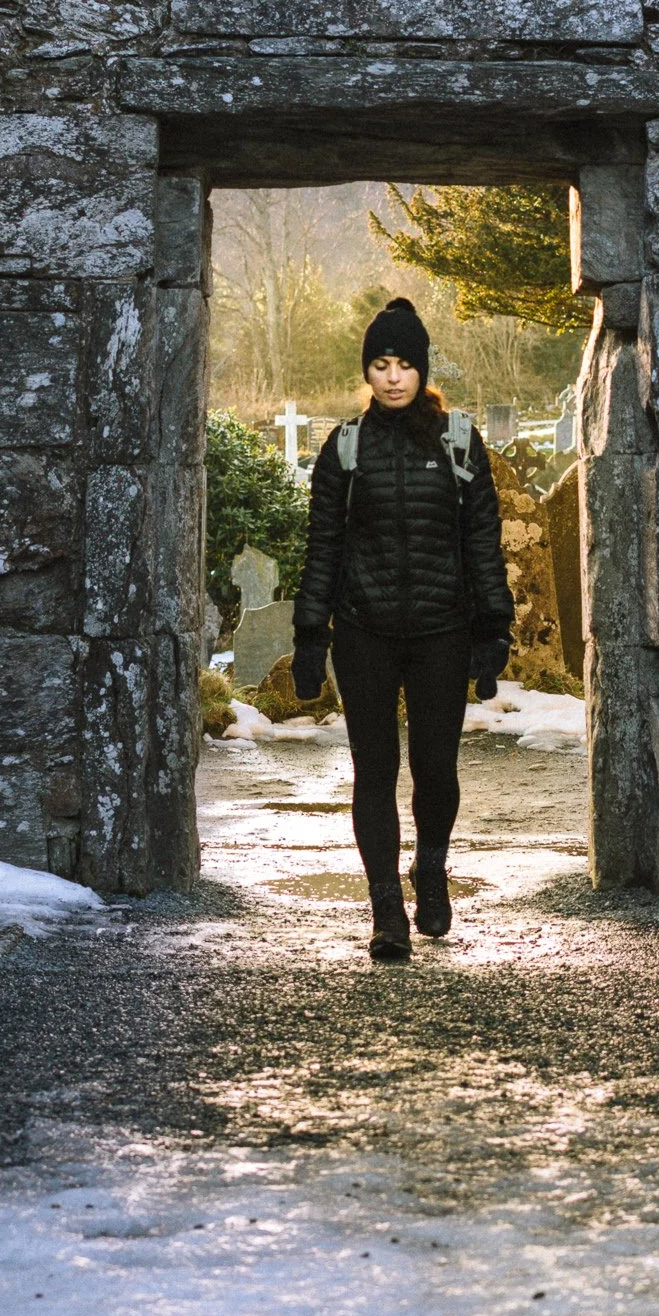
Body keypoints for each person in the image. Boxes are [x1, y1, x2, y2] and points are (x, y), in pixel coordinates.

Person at [291, 296, 513, 961]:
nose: (392, 378)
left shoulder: (458, 440)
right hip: (364, 632)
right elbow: (322, 547)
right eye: (380, 365)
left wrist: (492, 630)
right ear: (368, 371)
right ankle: (385, 905)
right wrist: (310, 637)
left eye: (404, 365)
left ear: (422, 370)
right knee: (374, 769)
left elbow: (482, 541)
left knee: (434, 768)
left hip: (442, 632)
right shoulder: (346, 446)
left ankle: (431, 871)